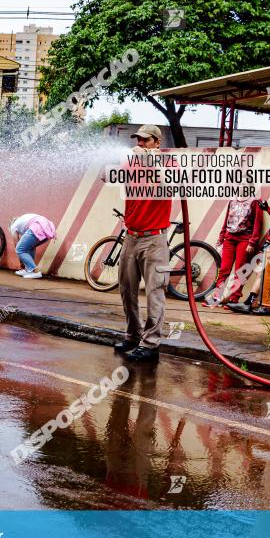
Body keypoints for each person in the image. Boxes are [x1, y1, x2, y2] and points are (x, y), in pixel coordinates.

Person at [114, 124, 170, 362]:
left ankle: (151, 342)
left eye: (146, 141)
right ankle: (133, 335)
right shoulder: (130, 164)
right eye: (138, 140)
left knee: (155, 292)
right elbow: (106, 176)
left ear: (157, 143)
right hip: (131, 236)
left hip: (154, 239)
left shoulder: (169, 165)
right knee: (126, 289)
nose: (140, 144)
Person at [228, 162, 270, 315]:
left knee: (264, 270)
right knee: (265, 271)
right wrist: (267, 207)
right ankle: (258, 303)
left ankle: (255, 304)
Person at [205, 194, 263, 307]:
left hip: (245, 240)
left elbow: (258, 223)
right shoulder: (232, 200)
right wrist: (221, 237)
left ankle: (234, 299)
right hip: (229, 239)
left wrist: (252, 242)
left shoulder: (255, 201)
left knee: (240, 270)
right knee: (224, 270)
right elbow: (226, 219)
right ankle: (216, 298)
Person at [9, 213, 56, 279]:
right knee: (30, 247)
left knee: (19, 249)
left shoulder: (13, 226)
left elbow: (16, 243)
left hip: (37, 227)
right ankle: (28, 270)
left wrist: (21, 260)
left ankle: (33, 271)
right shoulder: (22, 220)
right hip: (47, 229)